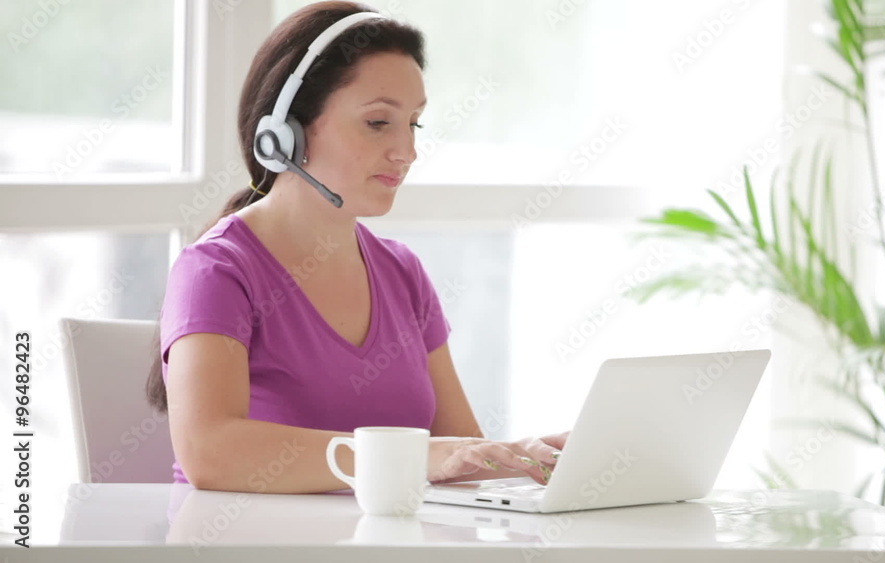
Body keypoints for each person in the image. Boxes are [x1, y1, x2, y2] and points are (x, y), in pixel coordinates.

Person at [145, 1, 568, 494]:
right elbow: (209, 452)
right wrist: (410, 457)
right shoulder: (216, 270)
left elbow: (455, 456)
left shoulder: (402, 271)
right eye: (377, 122)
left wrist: (536, 455)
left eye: (414, 123)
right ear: (286, 134)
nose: (407, 152)